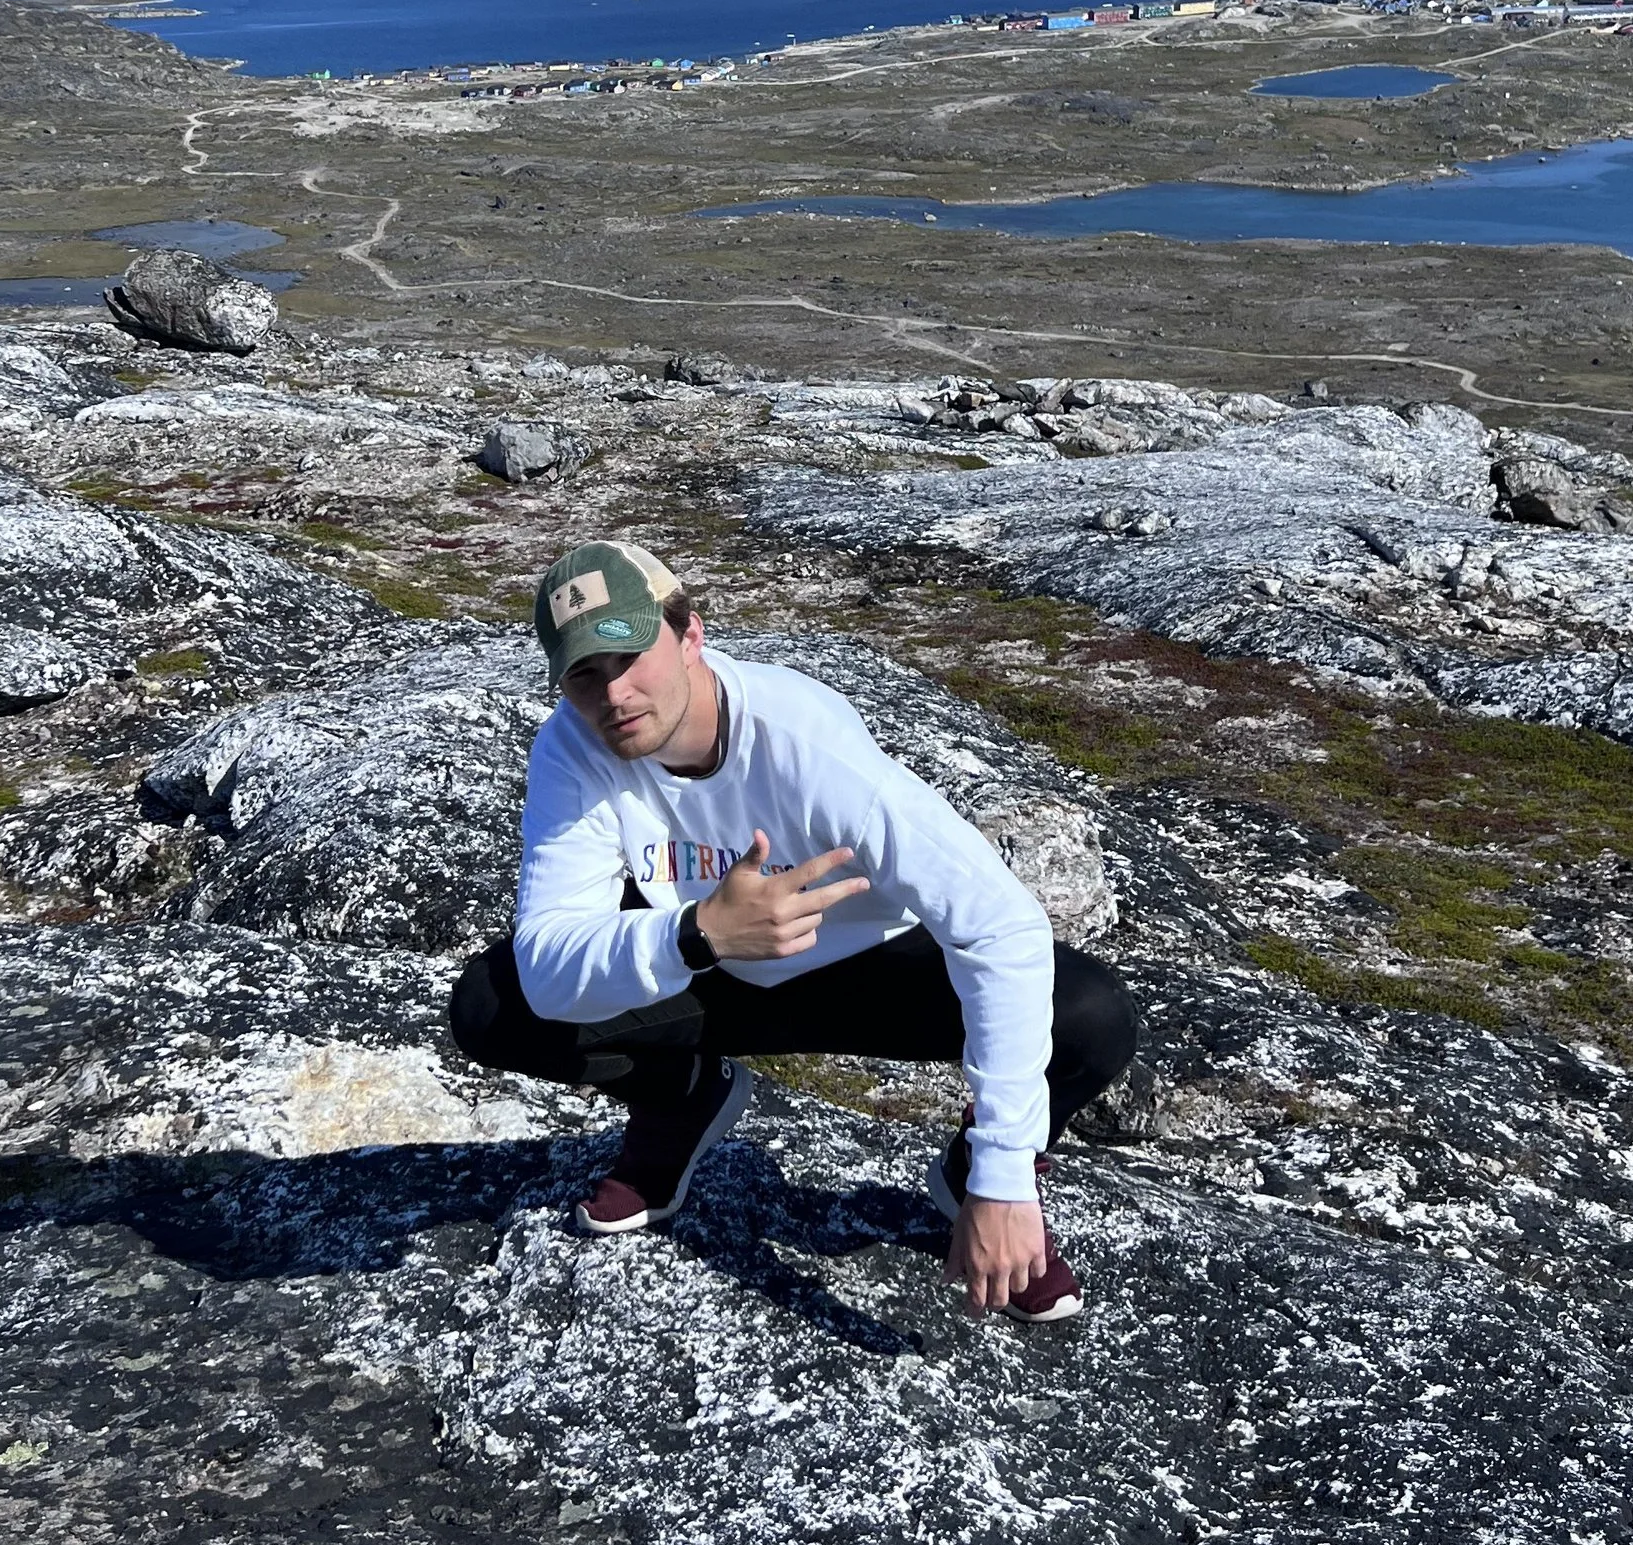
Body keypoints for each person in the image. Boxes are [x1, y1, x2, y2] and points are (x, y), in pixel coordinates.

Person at [448, 537, 1138, 1322]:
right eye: (583, 676)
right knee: (493, 1005)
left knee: (1089, 1016)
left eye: (630, 655)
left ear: (690, 635)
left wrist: (1002, 1176)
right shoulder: (572, 751)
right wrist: (697, 934)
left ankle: (967, 1164)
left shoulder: (805, 742)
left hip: (869, 967)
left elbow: (998, 922)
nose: (614, 695)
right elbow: (545, 962)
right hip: (714, 966)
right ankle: (680, 1098)